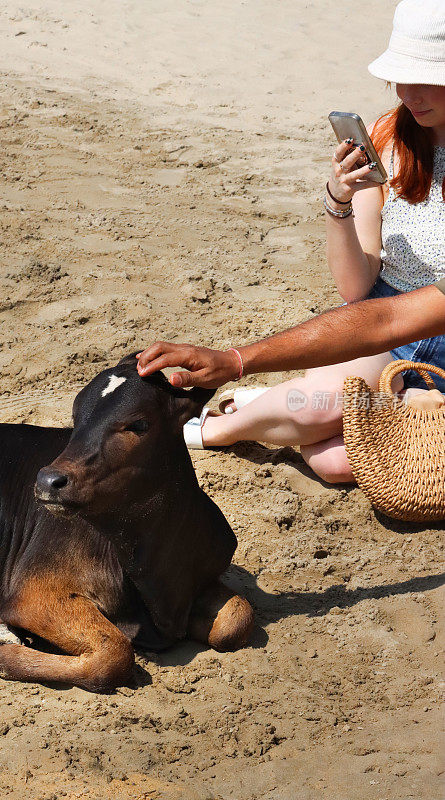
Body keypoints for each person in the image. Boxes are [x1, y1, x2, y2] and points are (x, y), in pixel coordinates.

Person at [136, 0, 445, 484]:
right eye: (400, 76)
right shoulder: (391, 137)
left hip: (411, 330)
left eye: (426, 77)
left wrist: (236, 362)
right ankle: (222, 428)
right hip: (381, 325)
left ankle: (252, 411)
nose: (408, 94)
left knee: (340, 461)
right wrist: (340, 199)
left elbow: (393, 320)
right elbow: (358, 292)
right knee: (331, 446)